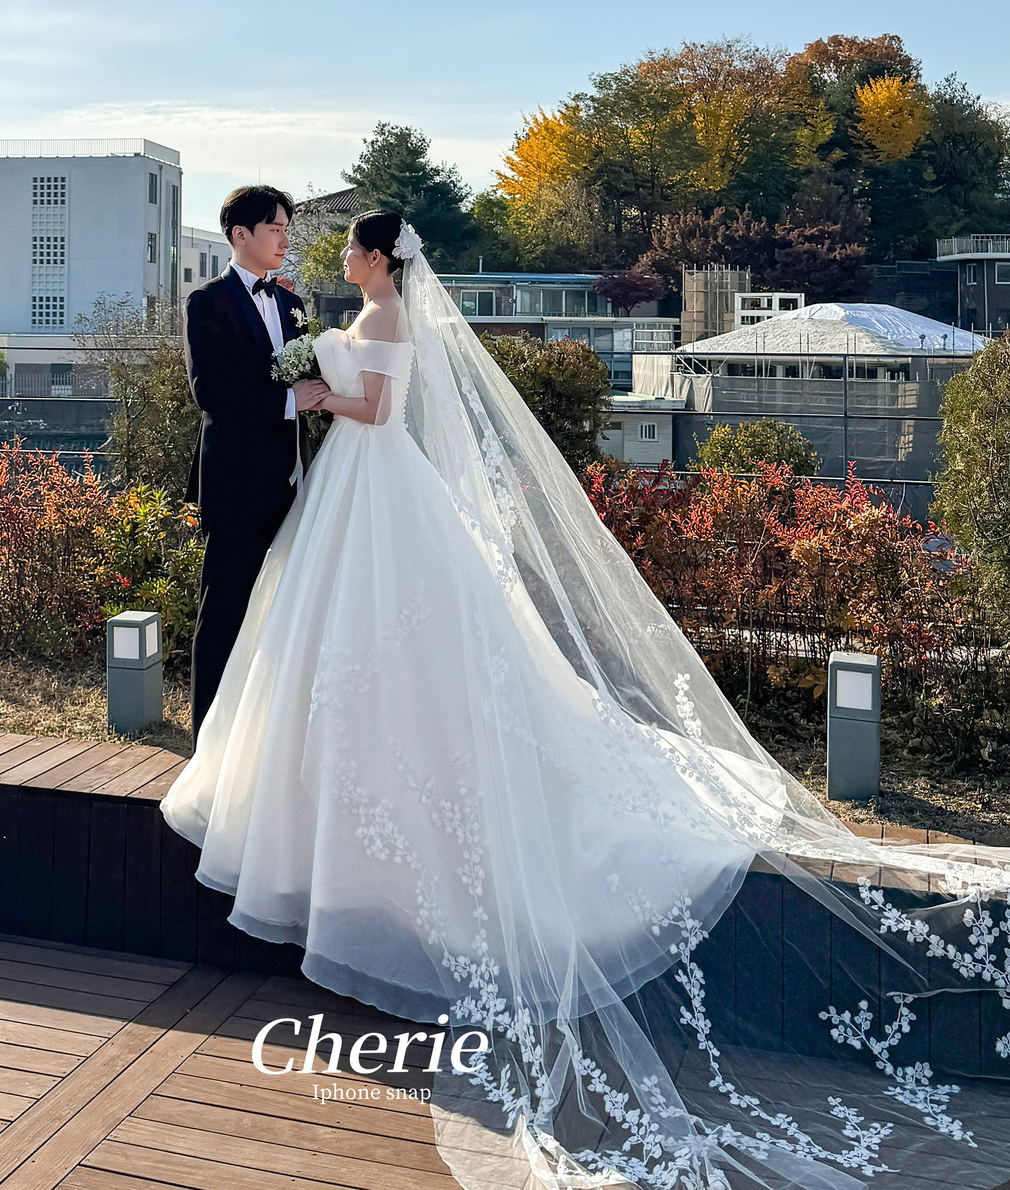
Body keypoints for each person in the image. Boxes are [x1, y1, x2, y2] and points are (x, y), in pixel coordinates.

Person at [166, 209, 1010, 1190]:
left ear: (380, 257)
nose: (342, 256)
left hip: (377, 484)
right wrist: (315, 385)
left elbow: (380, 412)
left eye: (354, 246)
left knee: (395, 653)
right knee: (333, 648)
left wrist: (318, 393)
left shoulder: (387, 316)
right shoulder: (360, 311)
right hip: (347, 496)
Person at [183, 185, 328, 738]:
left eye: (287, 229)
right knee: (224, 610)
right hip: (236, 486)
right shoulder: (207, 302)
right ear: (239, 235)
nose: (284, 240)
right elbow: (210, 392)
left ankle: (266, 740)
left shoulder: (292, 304)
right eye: (275, 229)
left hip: (292, 483)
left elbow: (309, 378)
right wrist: (290, 400)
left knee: (287, 613)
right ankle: (208, 742)